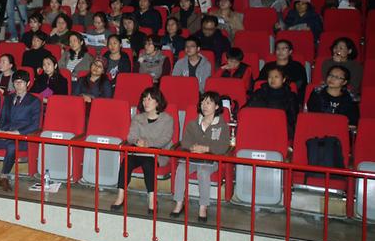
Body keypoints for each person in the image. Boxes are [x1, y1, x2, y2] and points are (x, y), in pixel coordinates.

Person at [170, 92, 232, 222]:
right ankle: (179, 202)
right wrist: (193, 147)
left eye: (208, 103)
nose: (204, 105)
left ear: (216, 106)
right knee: (181, 169)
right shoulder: (193, 124)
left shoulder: (222, 126)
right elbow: (185, 141)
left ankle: (203, 206)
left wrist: (207, 149)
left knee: (203, 172)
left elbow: (223, 147)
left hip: (210, 160)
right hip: (193, 158)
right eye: (203, 102)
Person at [111, 87, 174, 212]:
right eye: (144, 99)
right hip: (139, 151)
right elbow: (131, 136)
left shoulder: (167, 119)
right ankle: (120, 196)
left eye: (150, 99)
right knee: (126, 162)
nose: (146, 102)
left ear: (157, 101)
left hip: (157, 154)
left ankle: (151, 199)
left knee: (148, 163)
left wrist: (148, 143)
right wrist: (137, 142)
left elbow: (165, 139)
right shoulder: (138, 118)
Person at [0, 70, 42, 191]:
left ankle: (4, 177)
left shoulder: (34, 101)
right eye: (16, 81)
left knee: (12, 147)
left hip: (22, 138)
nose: (18, 84)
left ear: (28, 83)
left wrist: (16, 133)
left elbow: (35, 125)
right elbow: (2, 119)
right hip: (5, 135)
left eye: (21, 82)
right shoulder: (8, 99)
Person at [247, 66, 299, 140]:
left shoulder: (290, 96)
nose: (272, 79)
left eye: (276, 77)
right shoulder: (260, 92)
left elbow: (293, 118)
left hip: (281, 130)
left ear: (283, 79)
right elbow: (248, 109)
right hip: (260, 126)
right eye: (270, 77)